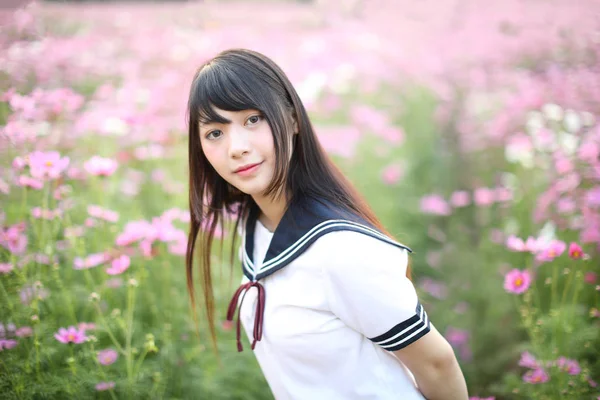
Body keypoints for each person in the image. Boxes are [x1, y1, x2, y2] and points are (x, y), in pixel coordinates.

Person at [185, 48, 469, 400]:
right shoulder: (255, 223)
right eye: (215, 133)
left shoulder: (340, 250)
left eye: (253, 119)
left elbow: (437, 364)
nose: (236, 148)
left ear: (292, 119)